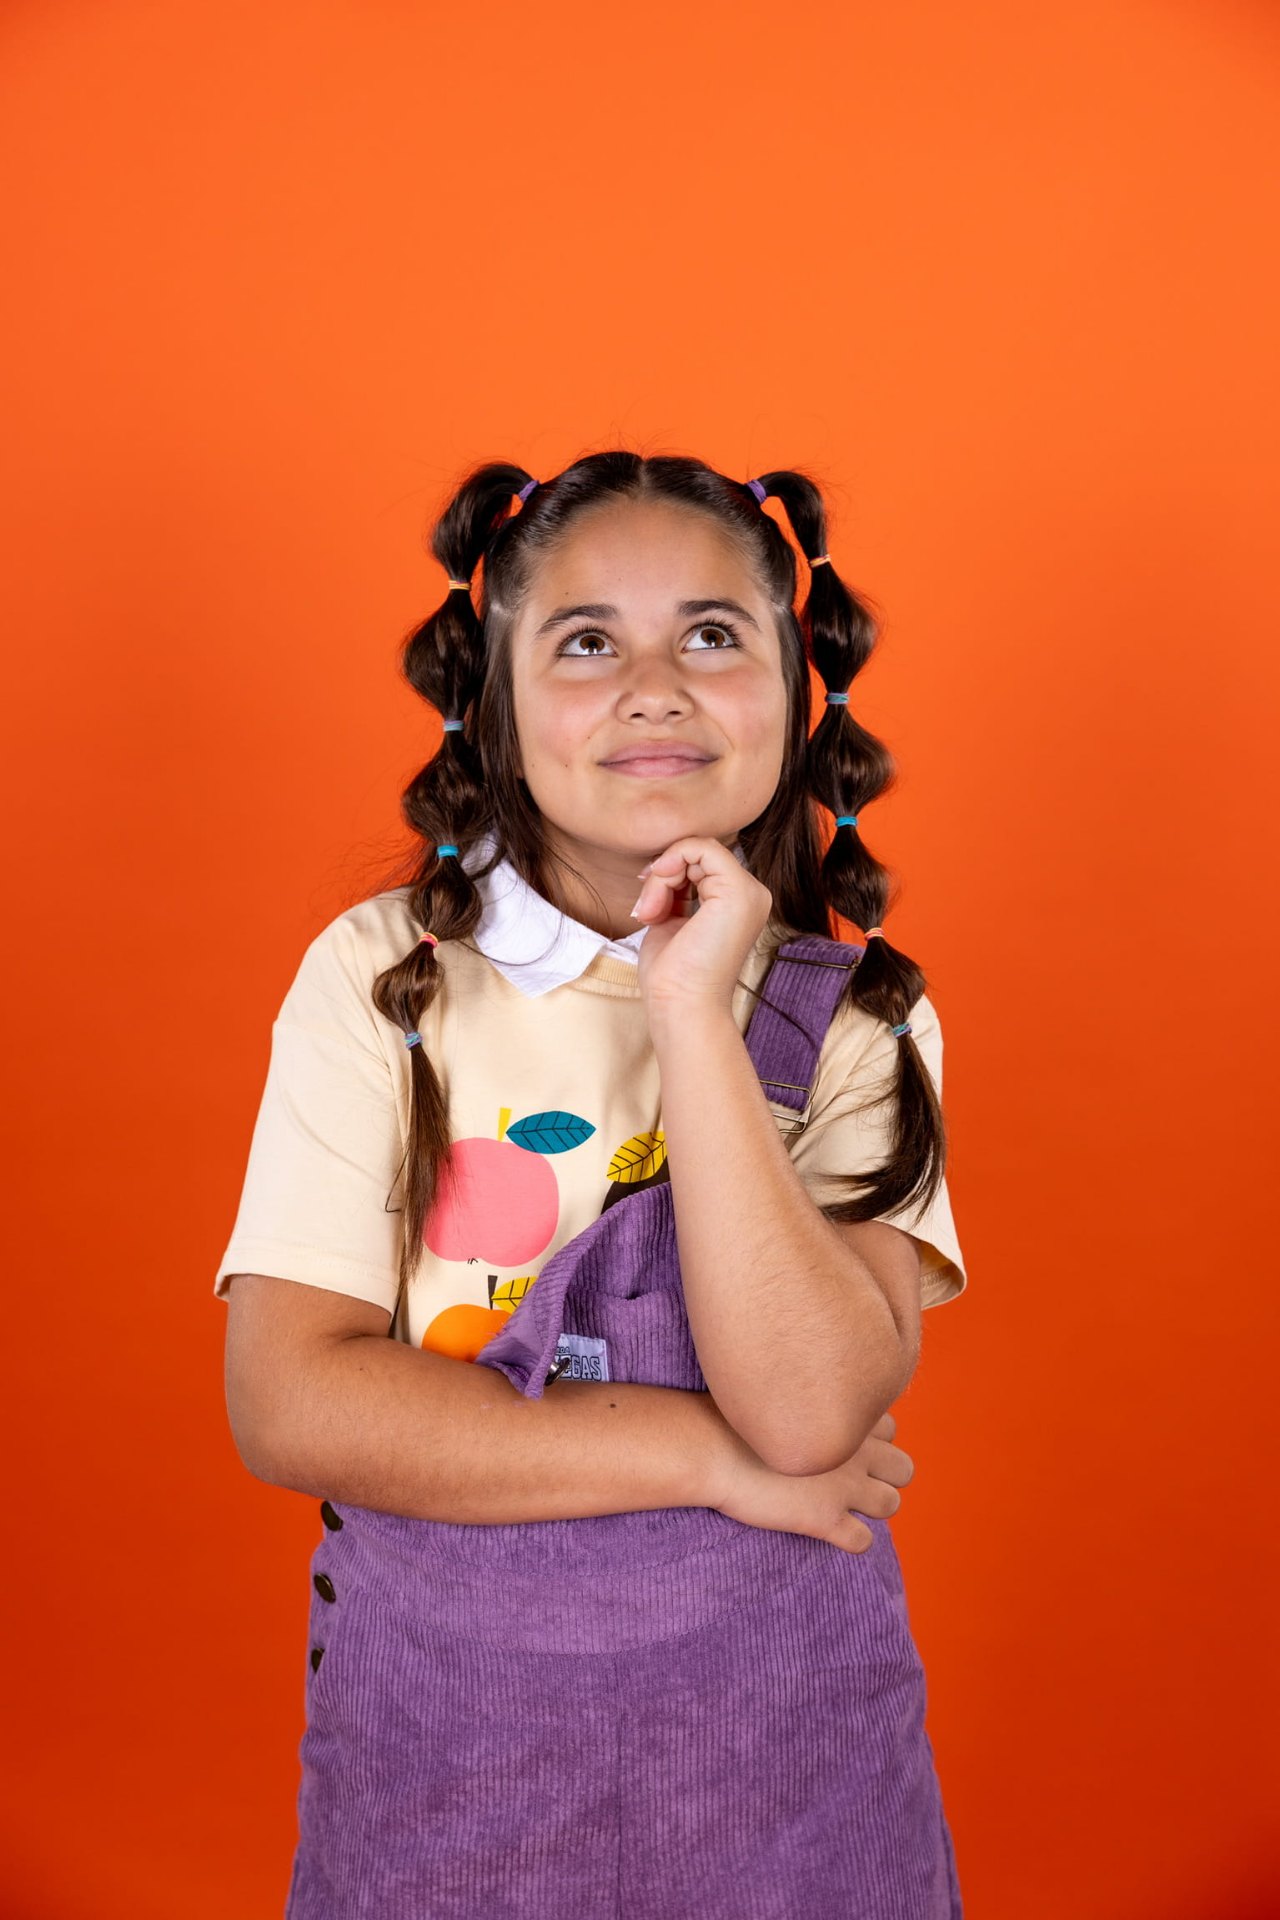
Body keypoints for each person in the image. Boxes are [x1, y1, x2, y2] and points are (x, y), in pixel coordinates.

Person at [216, 451, 969, 1918]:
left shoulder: (862, 1016)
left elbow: (812, 1405)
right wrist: (711, 1464)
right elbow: (290, 1400)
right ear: (493, 703)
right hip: (446, 1769)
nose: (655, 685)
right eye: (584, 642)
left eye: (711, 634)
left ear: (797, 692)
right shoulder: (383, 984)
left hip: (789, 1773)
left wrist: (693, 1009)